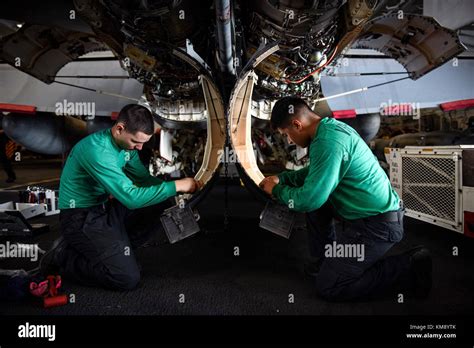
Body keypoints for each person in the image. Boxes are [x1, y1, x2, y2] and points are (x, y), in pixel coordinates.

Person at [259, 97, 432, 302]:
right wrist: (284, 178)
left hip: (377, 227)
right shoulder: (328, 129)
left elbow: (309, 199)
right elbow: (315, 174)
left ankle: (409, 264)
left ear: (297, 124)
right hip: (368, 215)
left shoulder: (327, 141)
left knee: (330, 287)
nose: (289, 141)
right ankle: (327, 259)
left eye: (287, 134)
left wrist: (277, 190)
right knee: (319, 204)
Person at [41, 104, 200, 290]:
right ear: (119, 129)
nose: (140, 148)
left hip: (104, 210)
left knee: (160, 202)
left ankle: (118, 252)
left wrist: (180, 194)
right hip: (80, 218)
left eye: (143, 143)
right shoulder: (97, 151)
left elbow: (142, 179)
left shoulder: (127, 147)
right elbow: (131, 198)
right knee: (126, 278)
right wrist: (177, 185)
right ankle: (63, 256)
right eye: (136, 142)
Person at [0, 114, 17, 183]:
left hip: (1, 141)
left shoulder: (2, 117)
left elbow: (6, 128)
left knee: (4, 160)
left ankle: (11, 176)